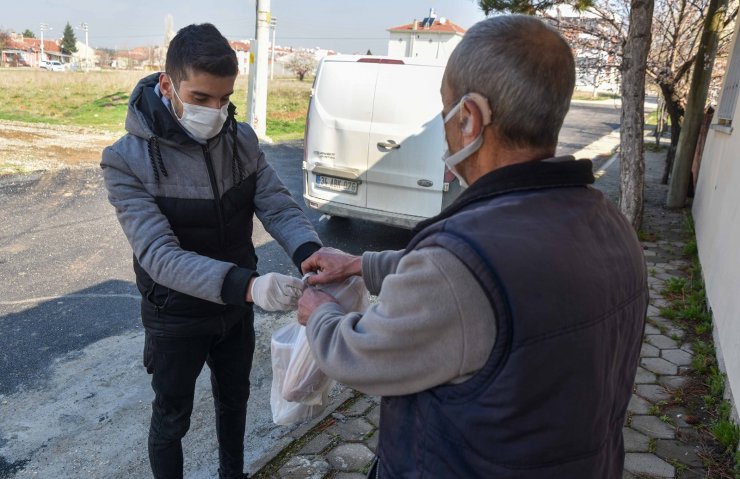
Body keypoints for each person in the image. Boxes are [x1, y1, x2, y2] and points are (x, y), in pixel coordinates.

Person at [298, 15, 648, 479]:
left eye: (444, 112)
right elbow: (497, 283)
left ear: (469, 117)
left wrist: (319, 312)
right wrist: (361, 264)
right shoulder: (609, 222)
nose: (443, 127)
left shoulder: (460, 263)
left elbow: (360, 353)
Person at [101, 23, 321, 479]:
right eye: (201, 98)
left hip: (235, 312)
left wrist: (310, 253)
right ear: (168, 85)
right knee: (172, 417)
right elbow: (158, 255)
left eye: (224, 99)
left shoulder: (240, 141)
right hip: (176, 314)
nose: (215, 111)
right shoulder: (126, 160)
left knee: (234, 402)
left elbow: (277, 206)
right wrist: (251, 287)